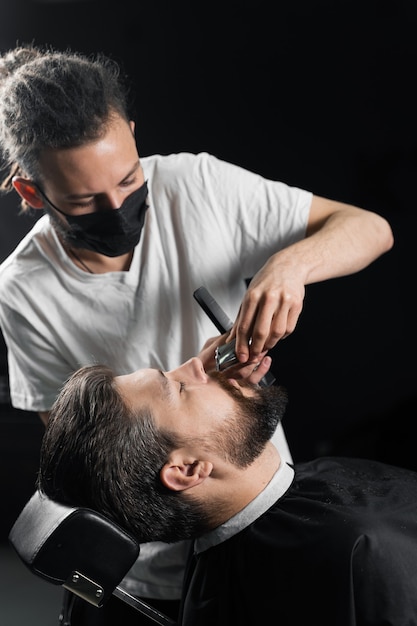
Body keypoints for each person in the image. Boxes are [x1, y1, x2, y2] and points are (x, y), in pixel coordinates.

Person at [0, 44, 393, 624]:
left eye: (130, 179)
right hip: (149, 566)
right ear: (31, 192)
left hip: (259, 515)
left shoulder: (196, 185)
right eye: (86, 200)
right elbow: (85, 449)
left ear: (133, 135)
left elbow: (370, 229)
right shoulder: (21, 291)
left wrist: (290, 266)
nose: (118, 206)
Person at [38, 356, 417, 625]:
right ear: (187, 470)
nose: (198, 362)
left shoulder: (218, 567)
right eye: (181, 387)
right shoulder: (359, 551)